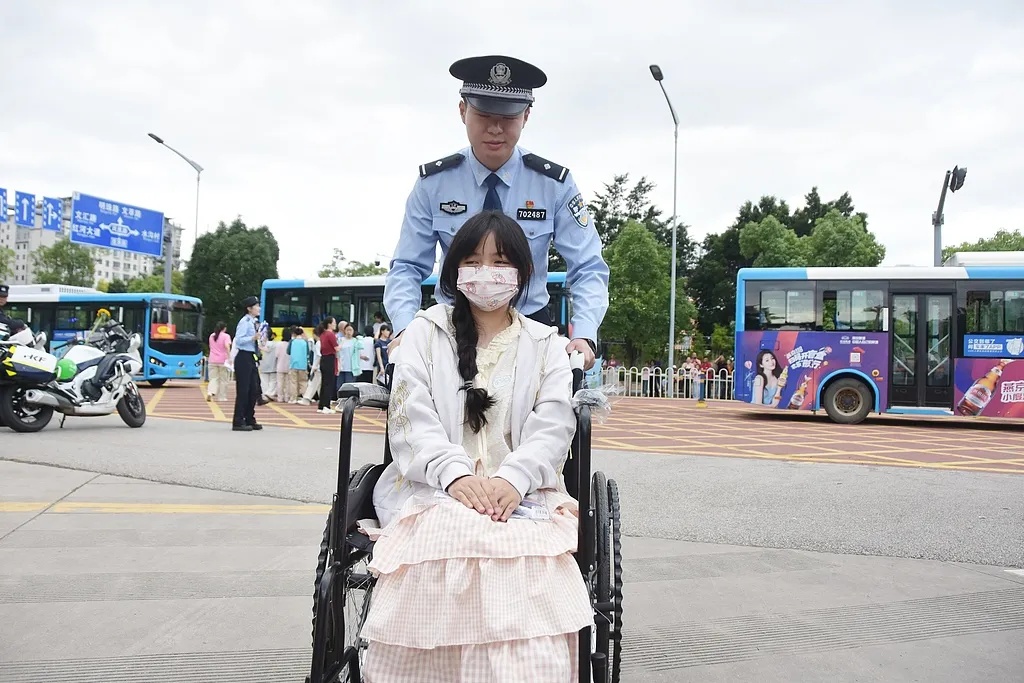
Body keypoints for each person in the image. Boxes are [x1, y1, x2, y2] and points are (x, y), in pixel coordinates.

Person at [361, 211, 593, 682]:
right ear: (454, 272)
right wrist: (457, 475)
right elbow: (411, 418)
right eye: (473, 260)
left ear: (523, 274)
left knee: (531, 553)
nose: (486, 272)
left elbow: (553, 423)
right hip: (433, 487)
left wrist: (513, 479)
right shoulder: (425, 333)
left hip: (524, 492)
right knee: (447, 535)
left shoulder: (546, 343)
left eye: (500, 261)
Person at [383, 55, 609, 371]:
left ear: (527, 116)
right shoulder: (433, 184)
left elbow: (587, 266)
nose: (495, 129)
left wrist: (584, 335)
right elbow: (407, 266)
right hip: (452, 330)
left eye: (508, 117)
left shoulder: (554, 184)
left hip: (532, 329)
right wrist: (406, 329)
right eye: (484, 115)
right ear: (462, 110)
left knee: (559, 412)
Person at [231, 296, 264, 432]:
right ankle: (238, 421)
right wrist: (253, 338)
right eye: (256, 306)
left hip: (251, 356)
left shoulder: (254, 322)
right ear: (249, 308)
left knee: (253, 389)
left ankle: (250, 418)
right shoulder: (244, 322)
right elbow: (239, 341)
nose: (259, 308)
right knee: (243, 391)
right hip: (243, 356)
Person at [317, 317, 339, 414]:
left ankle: (321, 405)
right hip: (330, 359)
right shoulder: (331, 334)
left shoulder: (322, 334)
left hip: (323, 359)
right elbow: (337, 348)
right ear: (329, 324)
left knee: (324, 383)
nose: (335, 324)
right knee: (329, 384)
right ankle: (326, 405)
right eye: (334, 322)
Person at [206, 321, 232, 402]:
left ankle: (210, 392)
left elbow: (211, 347)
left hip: (212, 360)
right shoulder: (226, 336)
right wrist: (229, 357)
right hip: (223, 361)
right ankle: (222, 397)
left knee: (213, 378)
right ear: (224, 328)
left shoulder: (212, 336)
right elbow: (227, 346)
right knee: (223, 380)